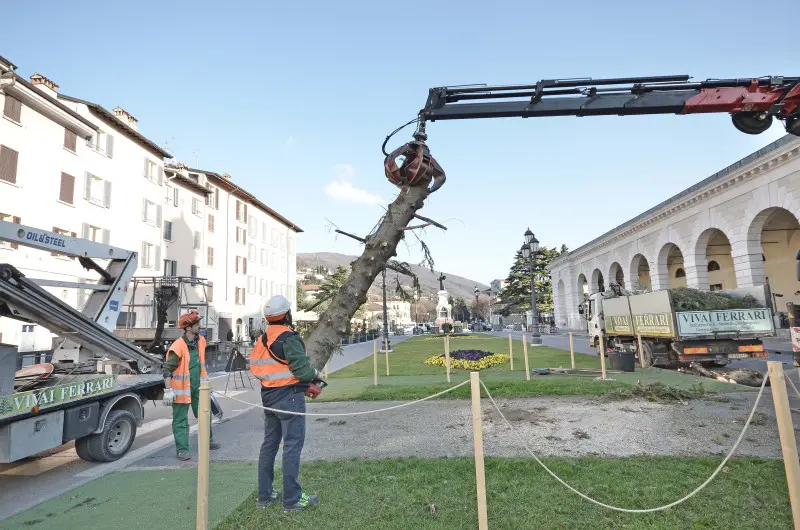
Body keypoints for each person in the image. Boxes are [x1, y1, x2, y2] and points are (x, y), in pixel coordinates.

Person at [250, 295, 325, 512]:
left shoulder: (264, 339)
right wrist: (315, 374)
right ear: (286, 315)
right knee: (292, 447)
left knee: (269, 445)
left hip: (268, 396)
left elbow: (257, 368)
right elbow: (301, 370)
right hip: (290, 397)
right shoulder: (289, 337)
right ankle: (292, 500)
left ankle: (264, 497)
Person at [161, 311, 221, 460]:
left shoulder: (200, 340)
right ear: (188, 328)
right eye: (197, 324)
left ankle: (208, 441)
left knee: (204, 414)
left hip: (198, 387)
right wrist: (168, 390)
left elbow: (200, 363)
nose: (200, 326)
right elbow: (167, 370)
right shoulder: (178, 346)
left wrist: (205, 381)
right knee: (181, 420)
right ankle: (182, 450)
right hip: (181, 390)